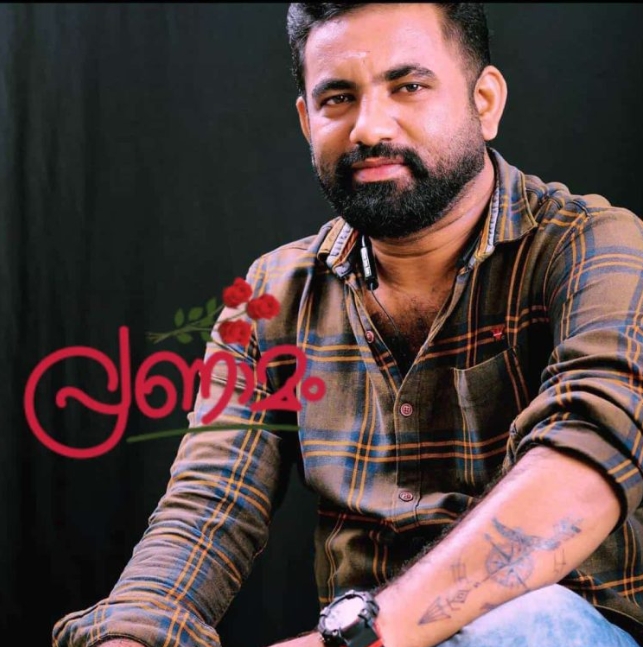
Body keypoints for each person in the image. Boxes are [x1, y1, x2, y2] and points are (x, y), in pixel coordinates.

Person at [53, 3, 643, 647]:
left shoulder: (596, 247)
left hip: (562, 631)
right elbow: (205, 511)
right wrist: (129, 635)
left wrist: (357, 636)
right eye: (338, 99)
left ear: (484, 101)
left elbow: (584, 467)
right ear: (307, 120)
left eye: (407, 86)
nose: (369, 127)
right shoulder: (271, 296)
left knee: (532, 624)